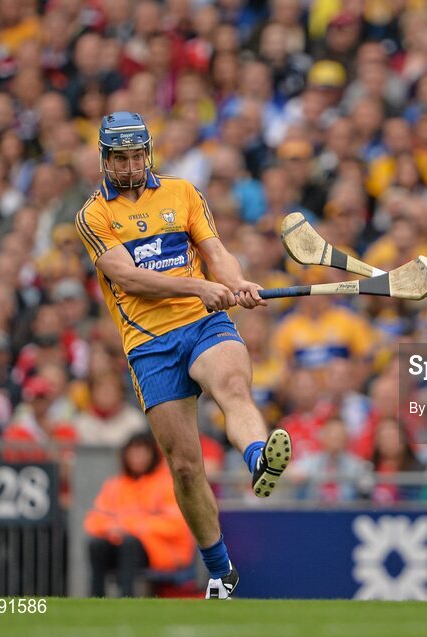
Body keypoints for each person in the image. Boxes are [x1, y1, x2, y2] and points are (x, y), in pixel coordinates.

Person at [74, 112, 292, 599]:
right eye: (121, 158)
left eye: (137, 155)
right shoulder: (93, 215)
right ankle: (221, 571)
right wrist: (200, 284)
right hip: (150, 344)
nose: (131, 166)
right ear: (106, 160)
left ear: (147, 152)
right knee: (186, 465)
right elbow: (127, 277)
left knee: (233, 387)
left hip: (203, 323)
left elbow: (215, 249)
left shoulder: (183, 192)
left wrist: (234, 281)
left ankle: (259, 459)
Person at [83, 432, 194, 597]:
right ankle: (95, 599)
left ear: (153, 455)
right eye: (133, 453)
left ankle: (126, 597)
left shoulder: (167, 484)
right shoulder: (115, 485)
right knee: (97, 545)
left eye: (143, 452)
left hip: (161, 551)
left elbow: (176, 525)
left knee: (130, 543)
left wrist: (129, 527)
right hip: (121, 546)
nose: (137, 458)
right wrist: (111, 528)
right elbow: (92, 522)